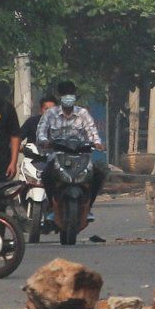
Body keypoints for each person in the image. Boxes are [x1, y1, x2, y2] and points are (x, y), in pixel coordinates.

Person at [37, 80, 108, 213]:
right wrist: (44, 141)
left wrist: (97, 143)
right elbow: (41, 132)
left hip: (81, 157)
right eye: (65, 94)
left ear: (75, 96)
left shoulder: (83, 114)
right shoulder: (50, 114)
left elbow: (92, 131)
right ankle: (51, 205)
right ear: (59, 96)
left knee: (98, 175)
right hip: (57, 156)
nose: (68, 97)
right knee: (46, 175)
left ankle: (88, 205)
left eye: (71, 94)